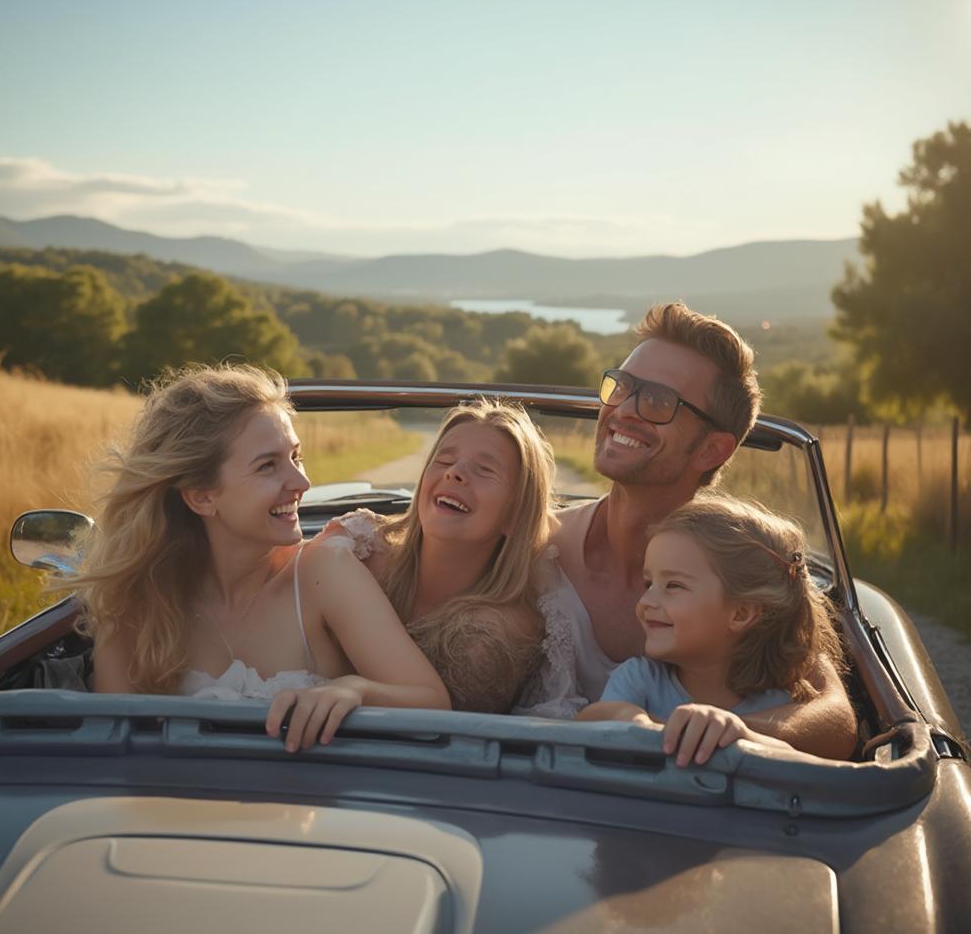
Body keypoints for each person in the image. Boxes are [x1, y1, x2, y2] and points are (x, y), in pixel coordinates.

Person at [523, 301, 857, 759]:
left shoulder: (739, 562)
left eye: (658, 401)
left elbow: (836, 717)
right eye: (621, 387)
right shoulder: (538, 543)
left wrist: (720, 731)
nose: (622, 411)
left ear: (711, 450)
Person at [77, 363, 449, 752]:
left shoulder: (323, 573)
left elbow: (433, 702)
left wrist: (354, 690)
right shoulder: (134, 600)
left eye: (296, 456)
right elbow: (113, 750)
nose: (302, 483)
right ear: (202, 496)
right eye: (268, 465)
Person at [315, 398, 556, 713]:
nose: (455, 473)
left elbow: (435, 738)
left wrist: (358, 690)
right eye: (444, 460)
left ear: (516, 514)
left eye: (484, 470)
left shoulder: (496, 633)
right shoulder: (360, 551)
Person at [576, 495, 846, 766]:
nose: (645, 602)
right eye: (649, 584)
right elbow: (590, 720)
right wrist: (625, 716)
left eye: (673, 586)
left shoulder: (781, 701)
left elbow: (796, 763)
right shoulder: (640, 679)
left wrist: (740, 733)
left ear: (741, 614)